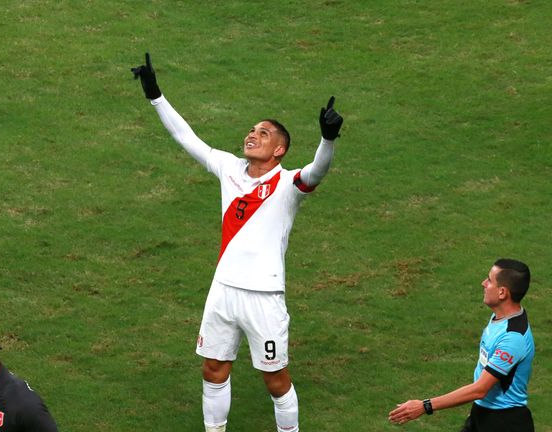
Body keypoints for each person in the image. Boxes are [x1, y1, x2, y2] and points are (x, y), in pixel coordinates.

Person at [132, 53, 344, 432]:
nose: (253, 135)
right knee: (213, 368)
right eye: (252, 130)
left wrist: (327, 139)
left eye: (264, 133)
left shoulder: (288, 183)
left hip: (264, 295)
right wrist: (155, 95)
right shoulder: (228, 168)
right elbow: (186, 137)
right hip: (223, 289)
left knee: (275, 380)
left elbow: (318, 171)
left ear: (279, 149)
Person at [389, 258, 535, 431]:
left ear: (502, 292)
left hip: (505, 423)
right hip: (483, 414)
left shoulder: (512, 338)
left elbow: (480, 389)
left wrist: (425, 405)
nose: (483, 283)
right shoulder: (501, 317)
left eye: (489, 280)